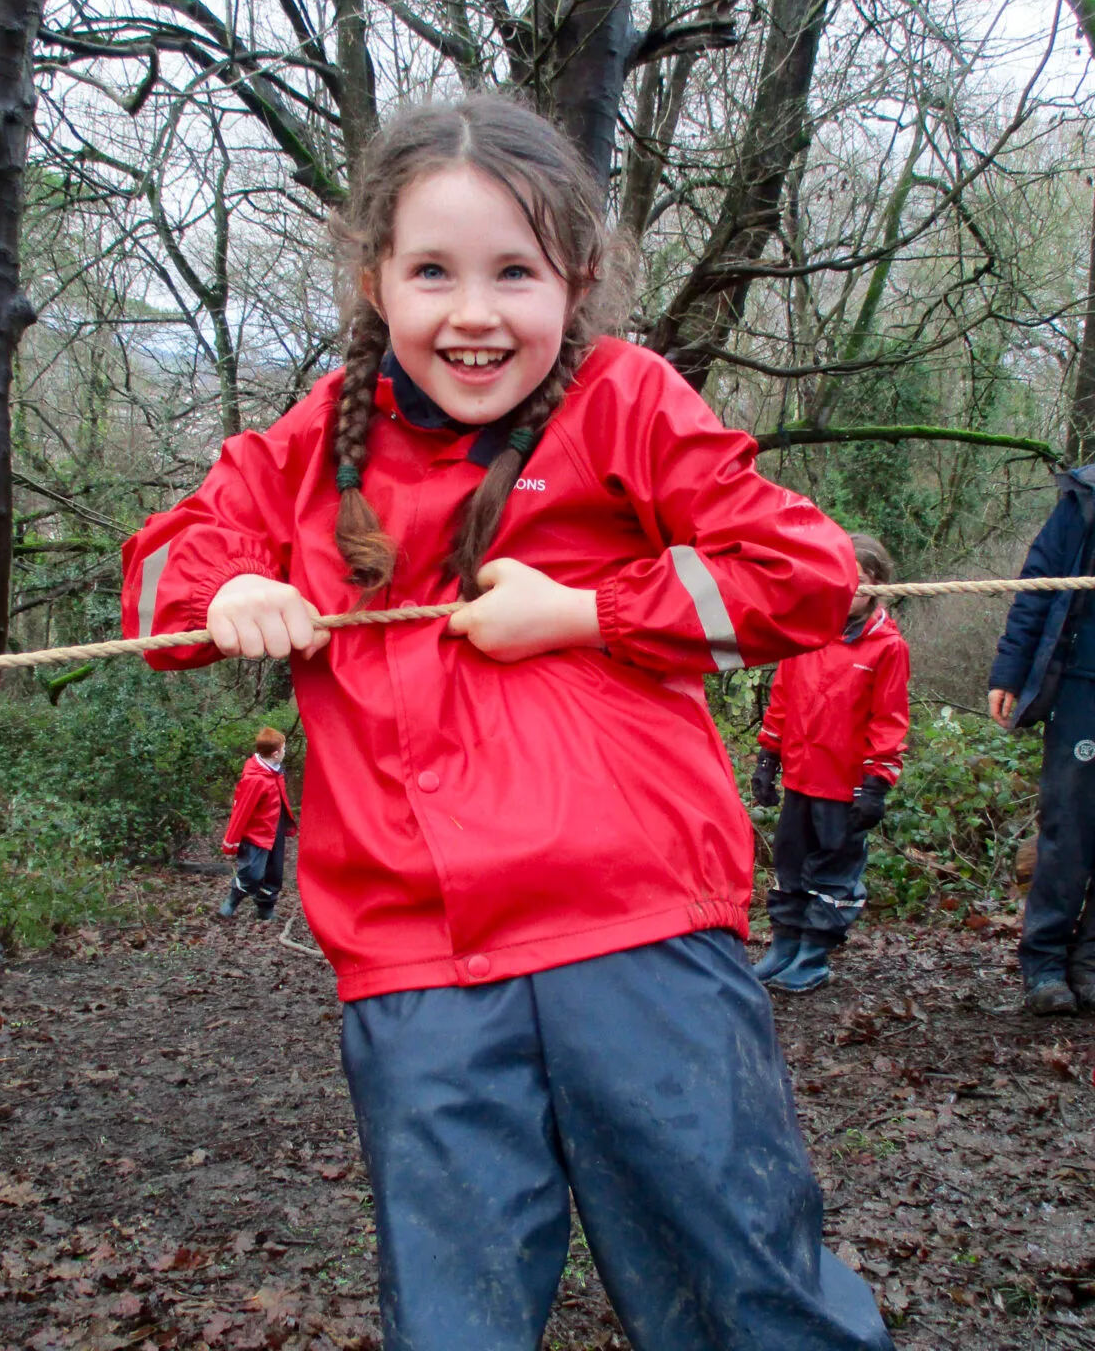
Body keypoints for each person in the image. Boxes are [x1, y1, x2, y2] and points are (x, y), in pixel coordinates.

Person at [122, 96, 893, 1351]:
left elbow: (804, 571)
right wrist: (231, 590)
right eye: (433, 271)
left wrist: (584, 611)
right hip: (416, 966)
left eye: (515, 273)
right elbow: (160, 579)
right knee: (451, 1320)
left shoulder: (625, 399)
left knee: (749, 1289)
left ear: (576, 279)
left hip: (638, 931)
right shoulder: (316, 440)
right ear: (375, 280)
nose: (473, 313)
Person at [750, 534, 910, 993]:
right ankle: (784, 944)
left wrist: (877, 783)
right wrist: (768, 757)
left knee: (834, 871)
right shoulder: (808, 634)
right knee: (790, 862)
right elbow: (783, 697)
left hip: (844, 785)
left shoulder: (886, 647)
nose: (847, 588)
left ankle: (813, 954)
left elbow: (889, 720)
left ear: (877, 586)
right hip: (801, 776)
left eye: (858, 580)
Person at [988, 462, 1095, 1016]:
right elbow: (1038, 584)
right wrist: (1009, 672)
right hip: (1082, 686)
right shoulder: (1083, 498)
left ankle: (1090, 963)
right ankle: (1045, 964)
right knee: (1068, 826)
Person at [219, 725, 295, 922]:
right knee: (252, 873)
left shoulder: (276, 771)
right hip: (256, 835)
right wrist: (231, 841)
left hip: (275, 829)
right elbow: (241, 810)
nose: (285, 751)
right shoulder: (254, 779)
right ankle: (233, 899)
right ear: (276, 753)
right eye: (284, 748)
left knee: (274, 873)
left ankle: (265, 907)